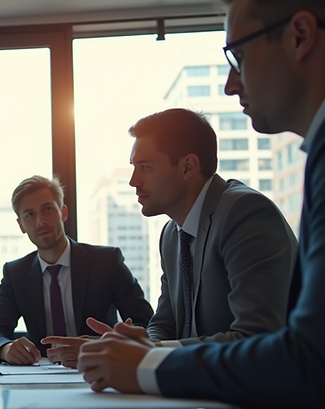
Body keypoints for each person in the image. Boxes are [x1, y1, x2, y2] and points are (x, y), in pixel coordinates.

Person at [78, 0, 325, 409]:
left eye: (237, 55)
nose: (229, 84)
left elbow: (317, 362)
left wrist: (147, 365)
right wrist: (141, 349)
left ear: (300, 36)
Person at [85, 109, 296, 347]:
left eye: (145, 167)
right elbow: (164, 324)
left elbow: (257, 337)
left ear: (187, 166)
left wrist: (153, 351)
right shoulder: (171, 235)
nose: (133, 181)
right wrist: (134, 345)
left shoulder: (244, 213)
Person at [0, 175, 153, 367]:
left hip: (100, 367)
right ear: (21, 225)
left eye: (47, 209)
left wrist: (104, 345)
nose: (40, 221)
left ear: (63, 212)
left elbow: (146, 324)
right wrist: (5, 348)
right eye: (29, 214)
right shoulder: (15, 273)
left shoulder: (107, 262)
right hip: (41, 374)